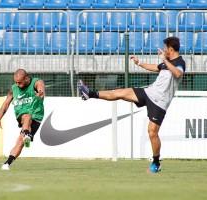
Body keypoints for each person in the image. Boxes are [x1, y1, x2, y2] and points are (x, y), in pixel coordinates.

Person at [78, 37, 185, 173]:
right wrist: (139, 62)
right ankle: (89, 93)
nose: (164, 50)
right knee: (120, 93)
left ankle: (156, 162)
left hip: (160, 103)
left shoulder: (180, 62)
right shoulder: (167, 62)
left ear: (171, 49)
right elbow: (155, 68)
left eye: (165, 48)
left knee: (152, 133)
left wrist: (164, 59)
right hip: (148, 92)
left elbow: (178, 73)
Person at [0, 69, 45, 170]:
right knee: (26, 116)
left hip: (37, 116)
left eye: (20, 82)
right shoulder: (14, 89)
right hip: (22, 115)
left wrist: (40, 93)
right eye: (16, 82)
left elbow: (41, 89)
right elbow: (6, 104)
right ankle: (27, 134)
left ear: (26, 78)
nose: (18, 84)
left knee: (20, 142)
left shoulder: (36, 82)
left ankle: (7, 163)